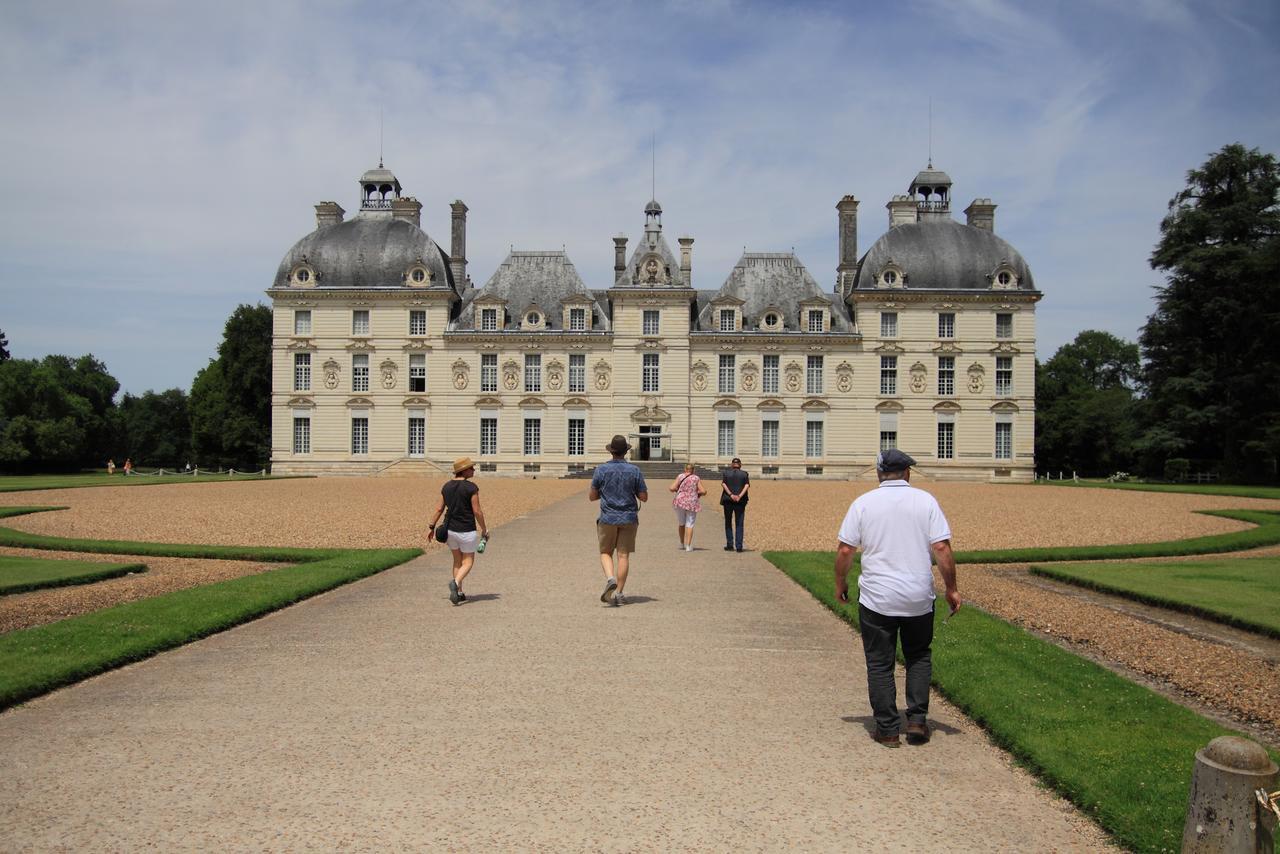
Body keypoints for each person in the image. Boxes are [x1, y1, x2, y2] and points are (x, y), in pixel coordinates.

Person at [833, 449, 960, 748]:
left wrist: (841, 582)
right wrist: (951, 588)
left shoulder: (863, 503)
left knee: (879, 662)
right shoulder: (925, 500)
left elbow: (845, 551)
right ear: (907, 473)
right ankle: (916, 721)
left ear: (879, 473)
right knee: (918, 656)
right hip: (918, 596)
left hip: (878, 597)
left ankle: (888, 729)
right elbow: (941, 548)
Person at [589, 435, 648, 606]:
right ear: (626, 452)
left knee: (606, 552)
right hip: (629, 517)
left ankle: (610, 578)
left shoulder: (601, 470)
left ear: (612, 451)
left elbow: (592, 496)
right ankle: (620, 593)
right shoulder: (635, 471)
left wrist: (606, 493)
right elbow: (643, 497)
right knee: (623, 556)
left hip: (608, 517)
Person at [428, 456, 489, 606]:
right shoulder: (471, 487)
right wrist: (484, 529)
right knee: (468, 562)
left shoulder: (446, 486)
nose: (474, 470)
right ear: (464, 470)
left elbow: (439, 509)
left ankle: (459, 593)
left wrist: (431, 527)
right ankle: (455, 583)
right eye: (471, 468)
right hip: (466, 530)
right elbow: (477, 511)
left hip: (450, 531)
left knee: (457, 561)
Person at [669, 463, 707, 552]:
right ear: (693, 470)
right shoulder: (696, 478)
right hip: (692, 502)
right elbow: (703, 491)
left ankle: (682, 543)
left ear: (685, 469)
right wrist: (699, 493)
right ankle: (688, 546)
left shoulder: (680, 476)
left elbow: (671, 488)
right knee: (690, 524)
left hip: (680, 501)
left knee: (681, 523)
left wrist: (678, 490)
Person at [720, 457, 749, 552]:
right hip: (740, 501)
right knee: (739, 523)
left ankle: (730, 544)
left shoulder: (726, 473)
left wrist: (731, 495)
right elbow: (746, 486)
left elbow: (724, 484)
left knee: (728, 522)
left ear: (732, 465)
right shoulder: (744, 474)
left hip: (728, 500)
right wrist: (739, 496)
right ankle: (739, 546)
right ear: (740, 465)